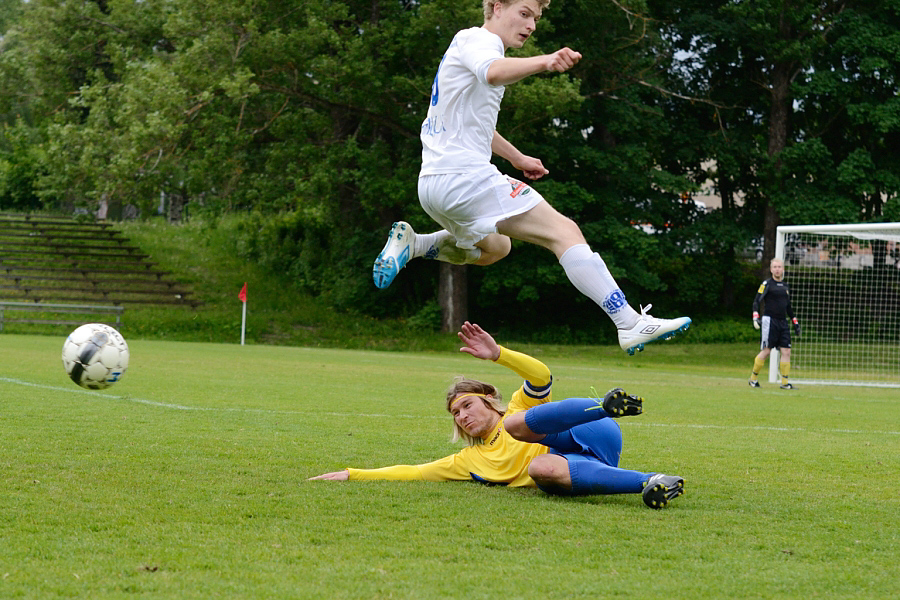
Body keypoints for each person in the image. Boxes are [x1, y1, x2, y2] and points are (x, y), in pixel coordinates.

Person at [371, 0, 691, 355]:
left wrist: (518, 157)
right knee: (564, 232)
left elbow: (477, 126)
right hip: (464, 179)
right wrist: (546, 61)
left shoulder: (464, 48)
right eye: (524, 13)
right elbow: (493, 71)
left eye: (536, 18)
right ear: (495, 7)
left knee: (496, 249)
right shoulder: (480, 42)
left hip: (434, 185)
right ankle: (629, 323)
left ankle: (414, 244)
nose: (532, 25)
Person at [310, 321, 685, 509]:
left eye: (467, 405)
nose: (462, 416)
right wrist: (352, 474)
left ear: (489, 397)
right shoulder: (469, 460)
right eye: (456, 413)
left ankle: (603, 405)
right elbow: (415, 472)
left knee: (516, 425)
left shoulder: (518, 407)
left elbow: (541, 376)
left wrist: (498, 355)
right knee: (540, 471)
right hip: (582, 467)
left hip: (593, 426)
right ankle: (650, 481)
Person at [749, 258, 800, 389]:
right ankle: (753, 379)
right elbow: (756, 301)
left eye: (779, 267)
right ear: (771, 269)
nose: (777, 269)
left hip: (783, 322)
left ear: (783, 269)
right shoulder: (766, 284)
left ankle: (784, 383)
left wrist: (795, 322)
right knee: (766, 351)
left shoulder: (785, 286)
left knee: (786, 351)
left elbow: (788, 307)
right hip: (769, 321)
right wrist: (756, 316)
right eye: (775, 267)